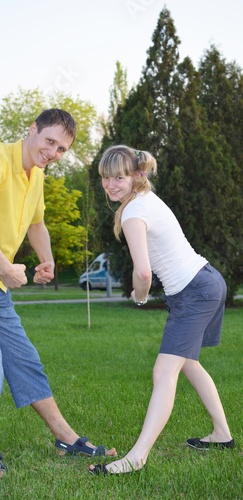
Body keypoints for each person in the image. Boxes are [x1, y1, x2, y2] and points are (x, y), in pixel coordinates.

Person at [0, 109, 116, 481]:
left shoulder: (38, 176)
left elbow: (36, 223)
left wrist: (46, 259)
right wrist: (3, 264)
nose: (53, 152)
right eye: (49, 141)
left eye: (62, 149)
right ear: (31, 131)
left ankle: (66, 438)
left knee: (24, 359)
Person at [90, 145, 235, 477]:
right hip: (207, 281)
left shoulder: (133, 212)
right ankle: (222, 434)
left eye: (118, 178)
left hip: (195, 291)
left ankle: (136, 457)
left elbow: (143, 273)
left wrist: (139, 297)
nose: (110, 185)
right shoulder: (145, 200)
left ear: (135, 176)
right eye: (105, 178)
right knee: (190, 364)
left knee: (163, 372)